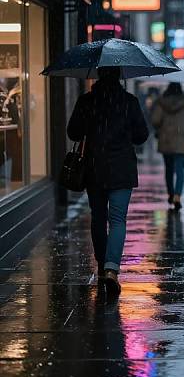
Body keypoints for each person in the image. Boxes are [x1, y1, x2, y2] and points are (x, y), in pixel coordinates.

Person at [67, 67, 149, 296]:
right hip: (121, 168)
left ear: (99, 75)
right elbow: (142, 135)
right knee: (117, 219)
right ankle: (112, 268)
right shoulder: (129, 101)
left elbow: (73, 132)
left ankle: (102, 266)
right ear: (120, 76)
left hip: (94, 168)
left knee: (98, 217)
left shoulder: (87, 100)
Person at [151, 83, 184, 211]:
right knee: (180, 169)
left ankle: (170, 193)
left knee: (169, 169)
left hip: (166, 140)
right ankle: (177, 195)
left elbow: (155, 120)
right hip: (182, 140)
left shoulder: (161, 102)